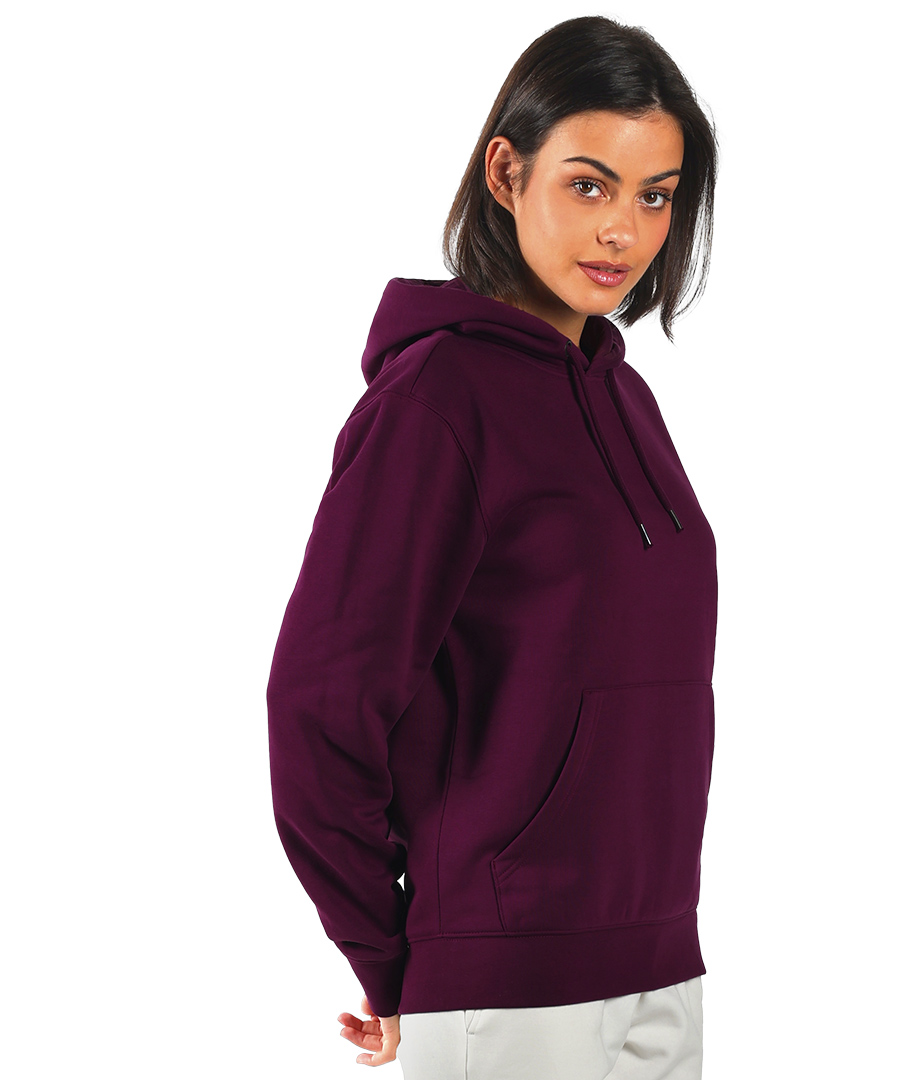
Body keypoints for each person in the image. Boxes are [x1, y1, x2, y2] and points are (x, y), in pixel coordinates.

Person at [266, 15, 719, 1078]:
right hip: (507, 986)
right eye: (589, 185)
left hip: (660, 959)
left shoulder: (625, 400)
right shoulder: (436, 401)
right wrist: (386, 949)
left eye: (656, 196)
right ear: (507, 174)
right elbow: (321, 700)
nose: (623, 231)